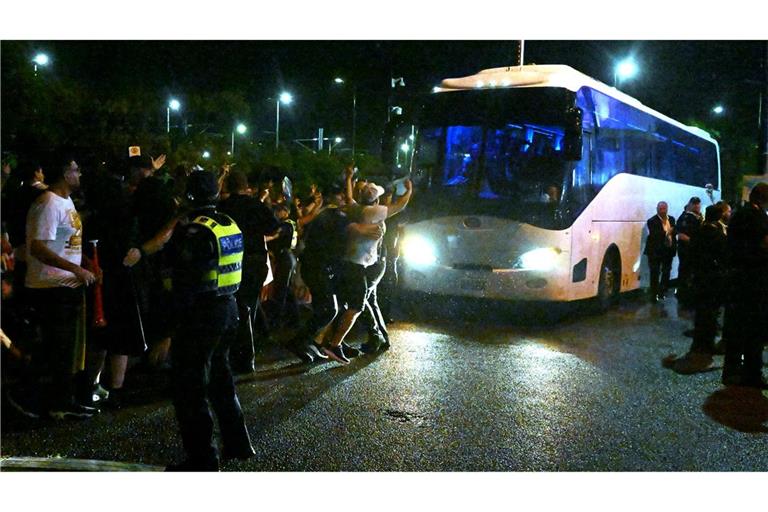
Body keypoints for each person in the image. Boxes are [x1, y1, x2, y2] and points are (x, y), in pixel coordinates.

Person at [163, 170, 254, 471]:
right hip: (229, 308)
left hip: (200, 314)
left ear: (189, 196)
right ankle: (238, 443)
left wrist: (171, 326)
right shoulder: (228, 224)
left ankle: (202, 458)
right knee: (221, 380)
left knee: (190, 388)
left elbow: (185, 280)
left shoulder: (194, 231)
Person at [25, 158, 100, 420]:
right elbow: (38, 247)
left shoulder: (66, 202)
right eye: (76, 170)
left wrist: (86, 263)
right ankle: (51, 403)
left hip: (67, 285)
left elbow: (68, 243)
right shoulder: (48, 203)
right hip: (50, 286)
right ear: (65, 174)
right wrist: (75, 269)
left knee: (67, 349)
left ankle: (65, 400)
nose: (79, 174)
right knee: (57, 348)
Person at [323, 173, 413, 364]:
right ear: (377, 200)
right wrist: (409, 191)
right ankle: (334, 344)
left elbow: (350, 198)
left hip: (351, 263)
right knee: (358, 305)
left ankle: (333, 341)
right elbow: (400, 206)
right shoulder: (374, 212)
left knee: (353, 303)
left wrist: (349, 179)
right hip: (358, 266)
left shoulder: (355, 209)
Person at [219, 170, 280, 373]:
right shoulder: (256, 205)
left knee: (235, 306)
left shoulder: (223, 206)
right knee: (248, 307)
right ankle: (247, 355)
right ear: (245, 186)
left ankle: (236, 354)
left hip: (231, 261)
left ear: (228, 186)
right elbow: (273, 228)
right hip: (255, 261)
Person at [663, 203, 729, 374]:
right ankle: (704, 348)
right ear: (719, 216)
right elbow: (724, 255)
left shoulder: (700, 232)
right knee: (709, 314)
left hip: (701, 279)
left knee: (703, 314)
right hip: (712, 280)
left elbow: (692, 254)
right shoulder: (716, 234)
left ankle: (701, 345)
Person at [721, 182, 768, 389]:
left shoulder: (740, 214)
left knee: (737, 328)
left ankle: (732, 370)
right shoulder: (757, 217)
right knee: (754, 329)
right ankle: (752, 373)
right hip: (753, 282)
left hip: (738, 280)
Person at [644, 201, 676, 303]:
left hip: (668, 250)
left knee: (666, 271)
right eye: (660, 209)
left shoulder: (671, 219)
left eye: (664, 209)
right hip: (655, 251)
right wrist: (667, 232)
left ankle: (662, 291)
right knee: (655, 272)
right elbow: (655, 234)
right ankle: (654, 294)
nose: (662, 211)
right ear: (657, 209)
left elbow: (675, 232)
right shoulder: (652, 221)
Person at [675, 196, 703, 308]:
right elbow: (681, 235)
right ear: (690, 204)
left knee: (689, 273)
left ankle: (687, 297)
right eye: (695, 204)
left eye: (698, 204)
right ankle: (684, 298)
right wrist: (694, 242)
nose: (697, 206)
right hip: (687, 250)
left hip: (692, 250)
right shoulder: (686, 217)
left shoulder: (697, 217)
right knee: (686, 273)